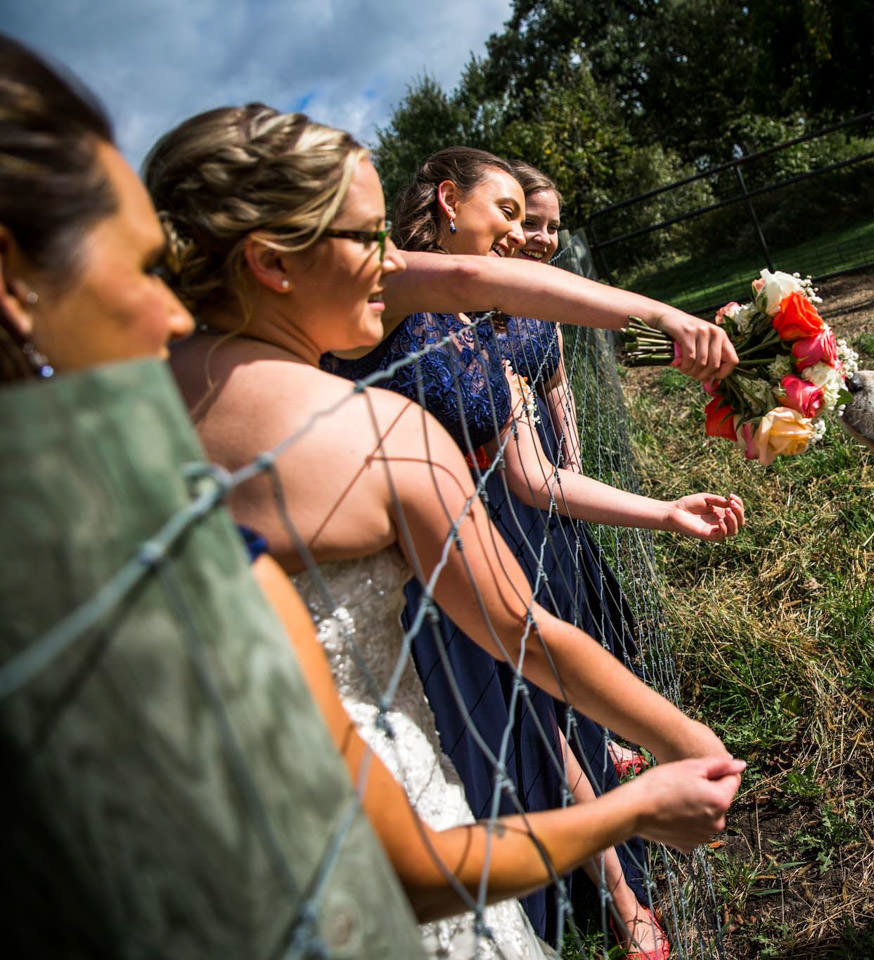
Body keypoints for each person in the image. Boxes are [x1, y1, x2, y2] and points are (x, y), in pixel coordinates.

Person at [144, 103, 744, 957]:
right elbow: (522, 635)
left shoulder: (101, 415)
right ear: (273, 263)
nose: (390, 262)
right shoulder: (379, 434)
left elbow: (482, 297)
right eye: (366, 238)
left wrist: (656, 323)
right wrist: (666, 763)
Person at [327, 146, 743, 957]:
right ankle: (603, 896)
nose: (523, 234)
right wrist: (660, 316)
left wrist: (663, 512)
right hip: (421, 566)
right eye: (508, 214)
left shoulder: (495, 336)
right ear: (448, 202)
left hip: (503, 542)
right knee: (501, 742)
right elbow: (472, 279)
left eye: (530, 217)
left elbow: (535, 473)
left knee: (548, 716)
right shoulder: (383, 295)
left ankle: (619, 895)